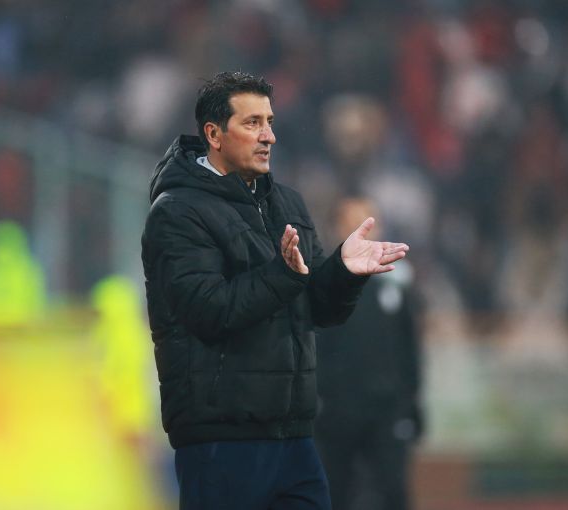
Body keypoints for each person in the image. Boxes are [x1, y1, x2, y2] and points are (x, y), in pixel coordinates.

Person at [141, 71, 409, 510]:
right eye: (252, 123)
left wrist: (343, 271)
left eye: (269, 122)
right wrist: (282, 275)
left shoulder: (287, 203)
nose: (269, 136)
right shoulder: (176, 213)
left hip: (294, 436)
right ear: (214, 134)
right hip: (222, 440)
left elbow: (317, 309)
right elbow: (209, 311)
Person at [315, 197, 424, 510]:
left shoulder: (397, 281)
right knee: (335, 491)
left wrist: (411, 401)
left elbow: (408, 345)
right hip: (337, 409)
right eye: (351, 222)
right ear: (337, 228)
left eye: (368, 221)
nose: (361, 229)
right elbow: (315, 341)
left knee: (393, 490)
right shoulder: (322, 279)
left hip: (386, 407)